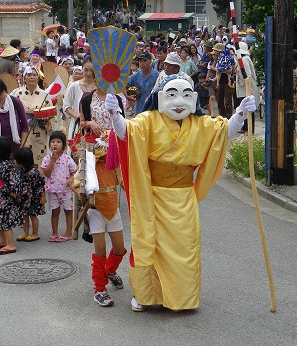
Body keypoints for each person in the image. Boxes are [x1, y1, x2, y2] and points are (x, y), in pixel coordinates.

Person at [105, 75, 255, 311]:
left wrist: (240, 115)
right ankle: (145, 295)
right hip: (152, 197)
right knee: (149, 244)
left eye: (186, 95)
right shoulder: (149, 120)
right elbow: (127, 134)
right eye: (172, 95)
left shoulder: (200, 123)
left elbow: (222, 134)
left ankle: (182, 298)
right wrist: (116, 115)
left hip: (183, 198)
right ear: (160, 97)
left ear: (194, 99)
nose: (179, 102)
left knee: (185, 250)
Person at [79, 87, 127, 307]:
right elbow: (75, 184)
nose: (103, 149)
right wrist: (81, 192)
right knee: (100, 250)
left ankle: (109, 270)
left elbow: (126, 182)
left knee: (120, 249)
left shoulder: (115, 161)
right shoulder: (85, 162)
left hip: (113, 206)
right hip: (96, 209)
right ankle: (99, 288)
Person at [11, 66, 53, 172]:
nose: (32, 77)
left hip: (39, 128)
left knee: (38, 154)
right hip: (22, 128)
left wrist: (45, 118)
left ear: (38, 78)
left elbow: (50, 112)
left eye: (35, 75)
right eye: (29, 75)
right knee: (22, 153)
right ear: (24, 78)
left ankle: (39, 180)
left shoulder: (45, 95)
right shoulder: (17, 93)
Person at [0, 136, 23, 255]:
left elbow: (11, 183)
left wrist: (10, 194)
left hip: (5, 198)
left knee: (5, 220)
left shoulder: (6, 166)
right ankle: (3, 241)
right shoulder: (2, 163)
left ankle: (11, 244)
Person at [41, 131, 76, 242]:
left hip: (65, 190)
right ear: (49, 144)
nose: (55, 144)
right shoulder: (47, 159)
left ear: (64, 145)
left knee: (68, 211)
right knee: (55, 212)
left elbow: (74, 172)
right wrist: (52, 161)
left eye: (58, 142)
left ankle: (69, 232)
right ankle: (54, 233)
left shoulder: (67, 159)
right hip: (53, 190)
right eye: (52, 142)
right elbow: (46, 173)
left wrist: (71, 179)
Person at [14, 147, 46, 242]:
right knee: (24, 215)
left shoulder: (33, 173)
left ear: (21, 162)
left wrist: (42, 196)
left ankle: (35, 233)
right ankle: (26, 232)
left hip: (33, 199)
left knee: (33, 216)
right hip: (23, 198)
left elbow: (40, 185)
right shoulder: (20, 170)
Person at [63, 57, 98, 138]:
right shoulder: (75, 86)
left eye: (92, 70)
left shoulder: (100, 86)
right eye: (86, 70)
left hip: (96, 126)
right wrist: (77, 115)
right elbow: (66, 105)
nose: (88, 73)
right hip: (78, 125)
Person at [235, 42, 259, 133]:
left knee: (248, 108)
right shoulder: (242, 59)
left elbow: (247, 74)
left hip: (247, 87)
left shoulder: (244, 60)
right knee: (245, 107)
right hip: (244, 87)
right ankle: (246, 127)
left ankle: (249, 128)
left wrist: (248, 87)